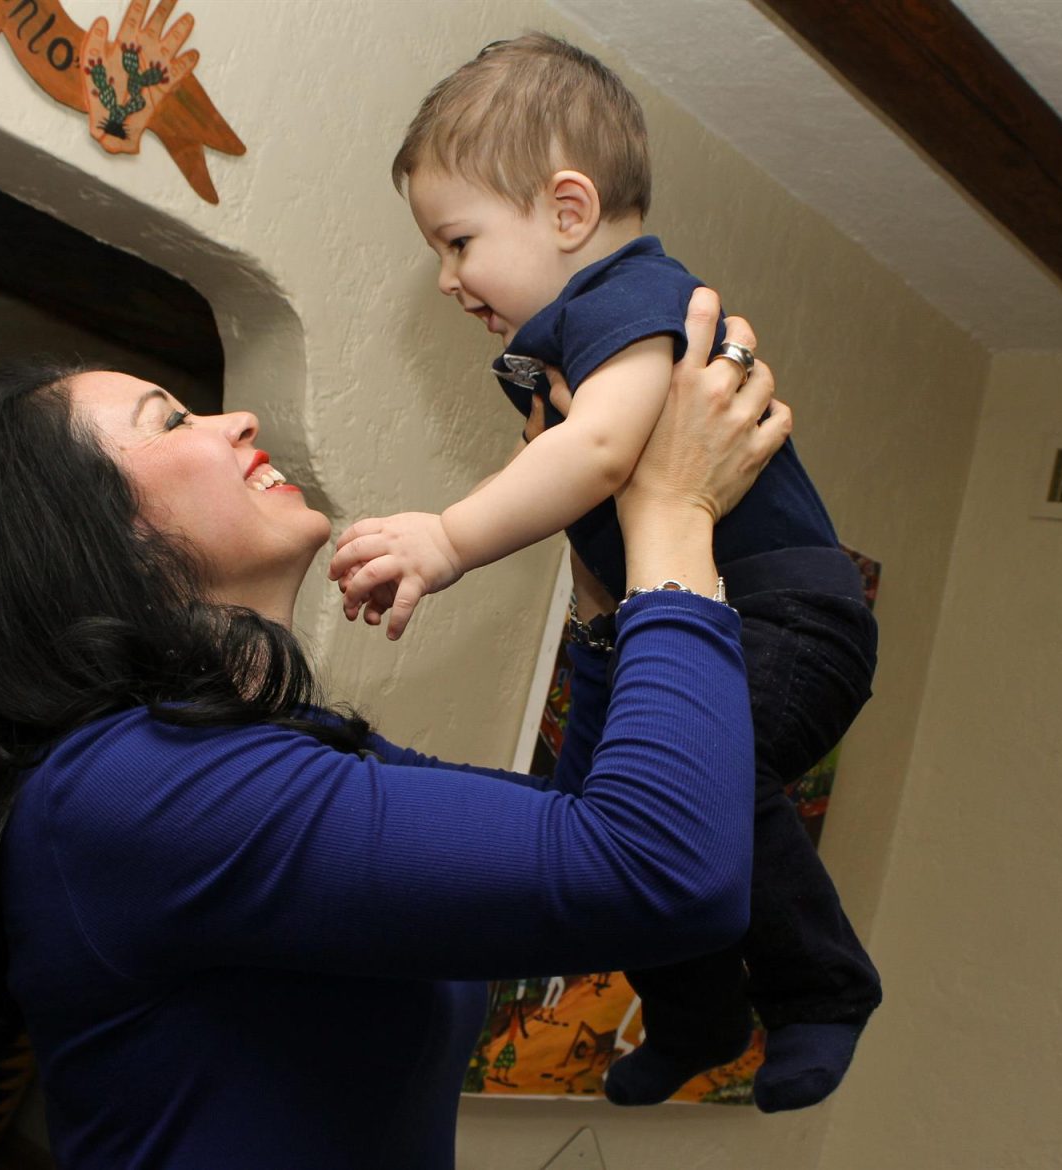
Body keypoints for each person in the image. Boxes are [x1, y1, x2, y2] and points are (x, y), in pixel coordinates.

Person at [0, 292, 784, 1169]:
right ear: (86, 542)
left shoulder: (274, 749)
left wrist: (598, 587)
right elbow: (665, 867)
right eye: (167, 421)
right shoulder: (135, 786)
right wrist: (674, 513)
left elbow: (578, 830)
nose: (233, 420)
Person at [330, 34, 881, 1111]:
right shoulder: (575, 342)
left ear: (569, 211)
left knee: (708, 782)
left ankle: (820, 989)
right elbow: (574, 471)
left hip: (786, 617)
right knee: (611, 816)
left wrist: (444, 541)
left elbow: (598, 454)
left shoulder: (633, 297)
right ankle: (700, 1014)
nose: (446, 280)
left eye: (457, 241)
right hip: (688, 620)